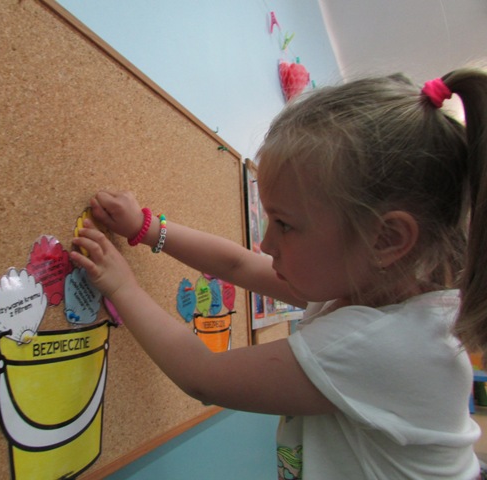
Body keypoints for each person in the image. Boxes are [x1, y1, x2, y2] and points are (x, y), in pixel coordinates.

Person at [70, 68, 487, 479]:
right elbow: (237, 264)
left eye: (285, 225)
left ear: (386, 239)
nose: (267, 244)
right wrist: (146, 228)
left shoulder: (386, 343)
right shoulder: (371, 283)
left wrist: (122, 285)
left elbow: (203, 377)